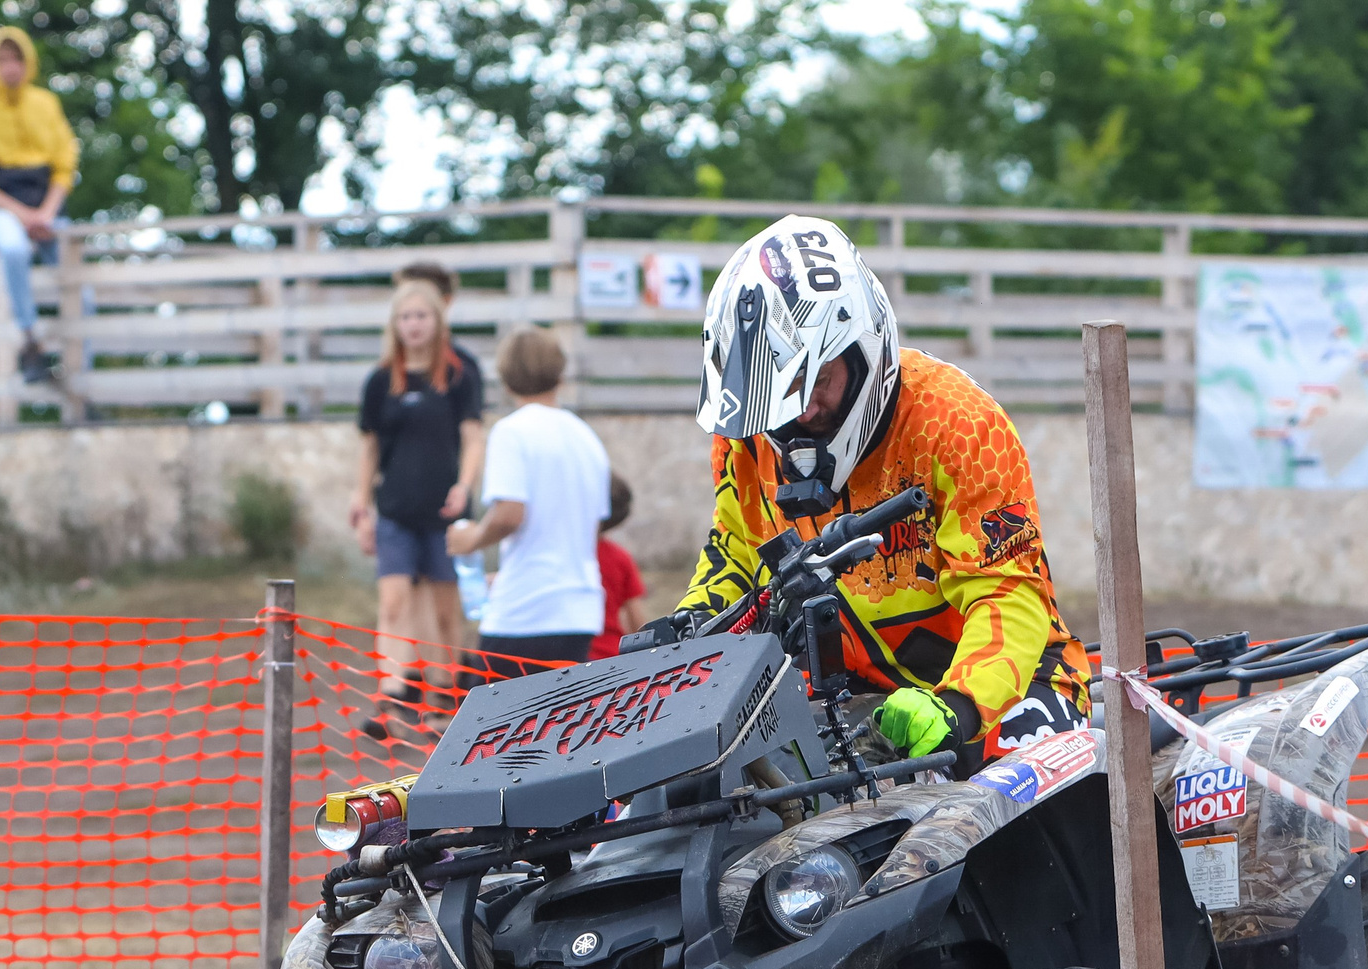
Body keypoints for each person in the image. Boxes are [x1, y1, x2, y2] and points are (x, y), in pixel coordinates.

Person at [645, 215, 1088, 769]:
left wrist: (957, 705)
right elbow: (736, 559)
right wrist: (680, 644)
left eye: (819, 381)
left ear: (866, 350)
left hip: (1009, 684)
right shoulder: (745, 443)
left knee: (995, 790)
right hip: (854, 694)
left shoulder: (959, 424)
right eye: (777, 398)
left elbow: (1009, 596)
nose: (801, 415)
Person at [352, 280, 484, 735]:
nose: (413, 325)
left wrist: (465, 486)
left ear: (437, 320)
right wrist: (359, 501)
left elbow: (472, 437)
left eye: (421, 316)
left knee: (447, 613)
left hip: (444, 517)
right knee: (393, 602)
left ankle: (445, 698)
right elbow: (369, 449)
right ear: (395, 324)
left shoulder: (460, 375)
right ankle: (393, 696)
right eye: (405, 317)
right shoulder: (379, 380)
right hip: (394, 512)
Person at [445, 327, 609, 677]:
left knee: (489, 726)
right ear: (560, 374)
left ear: (505, 380)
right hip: (579, 610)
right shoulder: (585, 436)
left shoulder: (512, 431)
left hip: (525, 611)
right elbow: (590, 526)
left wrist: (469, 541)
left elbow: (508, 514)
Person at [0, 26, 78, 385]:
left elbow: (65, 163)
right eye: (3, 59)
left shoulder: (45, 104)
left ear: (28, 62)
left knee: (78, 280)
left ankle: (78, 369)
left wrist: (47, 213)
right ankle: (30, 340)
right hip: (4, 207)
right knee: (13, 249)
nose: (10, 67)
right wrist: (23, 216)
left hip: (49, 206)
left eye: (16, 59)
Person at [590, 473, 647, 661]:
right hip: (612, 658)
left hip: (569, 658)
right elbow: (638, 624)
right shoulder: (620, 557)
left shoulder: (564, 555)